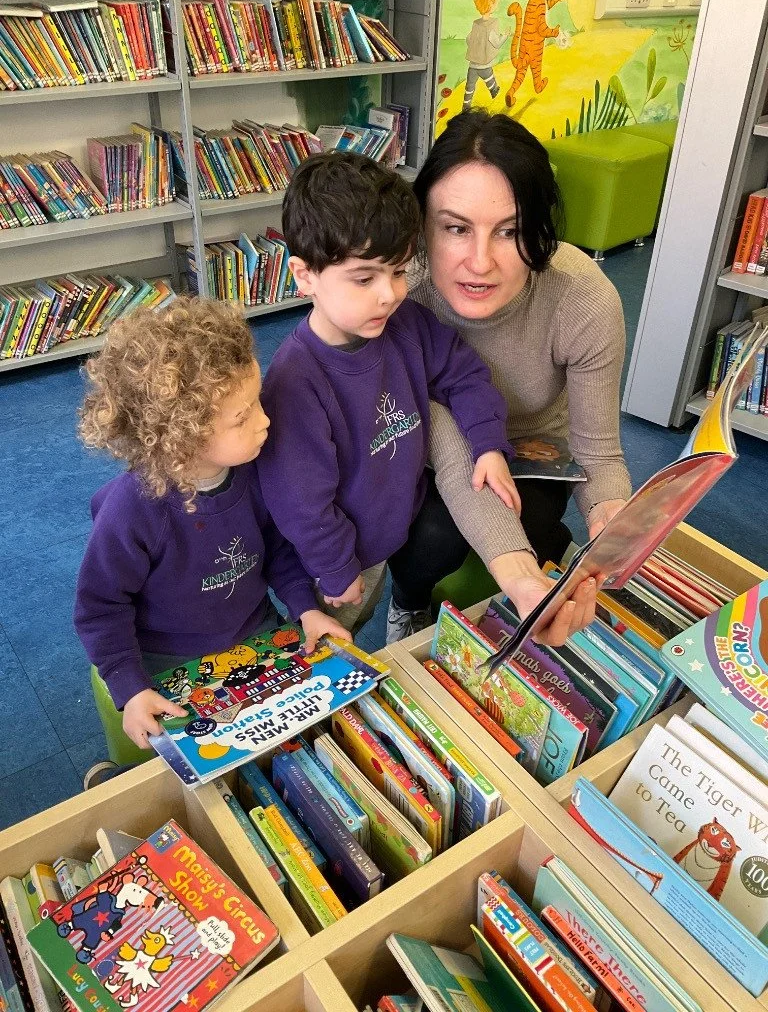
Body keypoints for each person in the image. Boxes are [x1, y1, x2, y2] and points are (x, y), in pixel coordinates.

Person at [74, 296, 349, 785]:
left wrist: (306, 608)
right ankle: (112, 781)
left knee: (302, 752)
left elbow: (279, 550)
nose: (266, 421)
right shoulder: (132, 512)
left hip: (257, 634)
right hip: (168, 661)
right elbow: (100, 607)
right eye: (242, 417)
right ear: (181, 439)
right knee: (193, 784)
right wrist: (129, 686)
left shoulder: (254, 471)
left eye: (258, 402)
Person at [256, 151, 519, 638]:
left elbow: (464, 375)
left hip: (393, 527)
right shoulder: (296, 383)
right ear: (304, 275)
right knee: (333, 643)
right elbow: (300, 501)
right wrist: (335, 566)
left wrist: (487, 443)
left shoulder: (407, 325)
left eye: (398, 272)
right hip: (335, 557)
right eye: (364, 278)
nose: (389, 294)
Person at [403, 108, 632, 643]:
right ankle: (410, 603)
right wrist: (513, 564)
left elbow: (597, 449)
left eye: (509, 232)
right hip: (424, 444)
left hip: (532, 448)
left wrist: (610, 513)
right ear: (421, 227)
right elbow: (444, 442)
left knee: (533, 519)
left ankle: (545, 560)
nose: (480, 262)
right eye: (456, 228)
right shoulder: (399, 298)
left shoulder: (584, 298)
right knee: (426, 535)